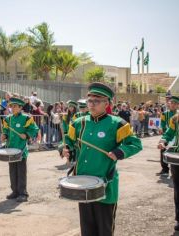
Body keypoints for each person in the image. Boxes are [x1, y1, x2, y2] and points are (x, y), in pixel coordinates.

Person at [59, 82, 142, 236]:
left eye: (97, 101)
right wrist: (65, 149)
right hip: (82, 182)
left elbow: (135, 144)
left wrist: (119, 151)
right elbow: (67, 141)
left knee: (104, 229)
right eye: (90, 100)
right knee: (87, 228)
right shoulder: (79, 122)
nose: (92, 104)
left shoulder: (117, 124)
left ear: (107, 103)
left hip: (106, 183)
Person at [1, 97, 39, 202]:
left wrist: (26, 135)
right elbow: (6, 130)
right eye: (11, 106)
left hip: (21, 150)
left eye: (15, 106)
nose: (12, 108)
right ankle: (15, 191)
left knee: (21, 172)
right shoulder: (8, 118)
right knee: (12, 171)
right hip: (10, 149)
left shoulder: (26, 118)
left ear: (20, 107)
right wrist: (4, 135)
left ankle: (23, 193)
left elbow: (35, 130)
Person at [158, 97, 179, 232]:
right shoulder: (175, 119)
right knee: (178, 189)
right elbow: (169, 133)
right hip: (177, 156)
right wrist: (163, 141)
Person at [158, 96, 178, 175]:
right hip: (169, 135)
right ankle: (165, 169)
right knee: (163, 150)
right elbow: (162, 124)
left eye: (175, 103)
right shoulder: (165, 114)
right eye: (171, 103)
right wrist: (161, 130)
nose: (172, 105)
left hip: (176, 138)